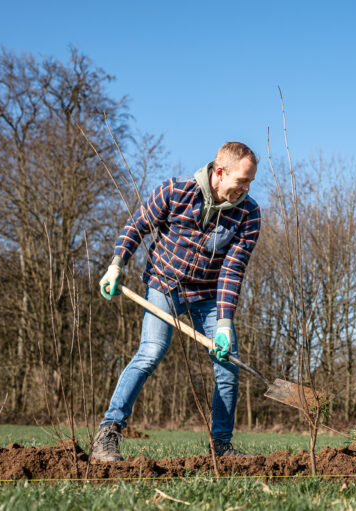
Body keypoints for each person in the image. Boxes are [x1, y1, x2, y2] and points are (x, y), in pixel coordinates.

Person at [91, 142, 260, 461]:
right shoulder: (174, 191)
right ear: (220, 172)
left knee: (228, 363)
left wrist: (223, 324)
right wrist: (116, 265)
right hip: (164, 286)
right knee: (151, 351)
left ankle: (221, 446)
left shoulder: (248, 215)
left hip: (209, 295)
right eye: (242, 180)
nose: (246, 188)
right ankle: (108, 432)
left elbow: (232, 270)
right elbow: (136, 227)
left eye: (250, 182)